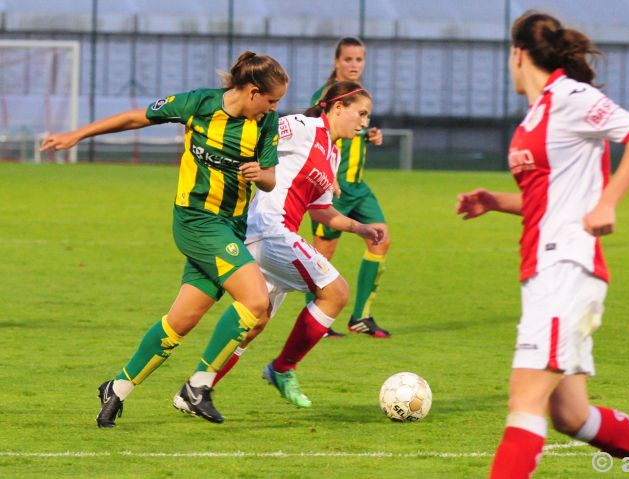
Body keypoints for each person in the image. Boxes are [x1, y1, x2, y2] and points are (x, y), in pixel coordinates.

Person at [455, 12, 629, 479]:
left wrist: (609, 202)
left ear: (517, 54)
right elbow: (547, 200)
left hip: (566, 269)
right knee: (570, 415)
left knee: (524, 399)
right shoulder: (536, 115)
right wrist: (495, 201)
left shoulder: (570, 95)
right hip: (542, 270)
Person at [40, 51, 288, 427]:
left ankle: (117, 388)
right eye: (271, 100)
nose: (273, 108)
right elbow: (134, 117)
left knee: (181, 321)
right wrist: (78, 134)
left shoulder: (265, 123)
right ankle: (198, 386)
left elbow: (270, 177)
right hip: (196, 221)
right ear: (253, 91)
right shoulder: (199, 104)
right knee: (256, 301)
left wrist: (260, 174)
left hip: (231, 227)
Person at [172, 81, 386, 410]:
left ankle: (195, 389)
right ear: (337, 107)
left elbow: (322, 212)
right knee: (336, 292)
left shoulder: (333, 153)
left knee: (254, 323)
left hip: (275, 235)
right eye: (361, 113)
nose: (364, 122)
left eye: (368, 116)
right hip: (269, 229)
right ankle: (282, 368)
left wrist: (361, 228)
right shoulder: (304, 126)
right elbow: (260, 128)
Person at [306, 36, 391, 338]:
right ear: (336, 61)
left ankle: (360, 317)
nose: (354, 64)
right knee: (321, 254)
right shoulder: (327, 95)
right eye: (348, 59)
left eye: (359, 59)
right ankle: (315, 319)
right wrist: (325, 179)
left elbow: (356, 130)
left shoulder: (361, 95)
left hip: (359, 186)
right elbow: (317, 135)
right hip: (335, 188)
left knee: (380, 240)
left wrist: (371, 134)